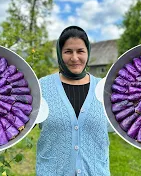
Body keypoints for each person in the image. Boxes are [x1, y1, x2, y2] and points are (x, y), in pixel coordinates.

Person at [36, 26, 110, 176]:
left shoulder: (104, 88)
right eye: (68, 51)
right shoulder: (42, 87)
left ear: (88, 52)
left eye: (80, 51)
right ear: (59, 53)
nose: (75, 58)